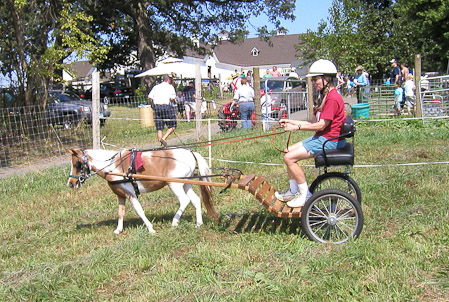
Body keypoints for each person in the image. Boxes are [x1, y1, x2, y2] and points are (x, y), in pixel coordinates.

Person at [274, 59, 346, 208]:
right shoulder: (324, 96)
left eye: (315, 79)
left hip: (329, 140)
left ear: (326, 78)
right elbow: (313, 122)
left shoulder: (332, 98)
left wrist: (296, 128)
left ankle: (305, 195)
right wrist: (290, 121)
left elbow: (321, 125)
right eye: (313, 79)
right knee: (288, 151)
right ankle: (293, 191)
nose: (313, 82)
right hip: (322, 137)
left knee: (289, 157)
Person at [148, 74, 177, 146]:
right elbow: (172, 98)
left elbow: (149, 97)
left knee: (159, 127)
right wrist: (175, 102)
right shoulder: (170, 87)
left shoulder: (156, 87)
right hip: (166, 107)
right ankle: (164, 138)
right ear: (168, 80)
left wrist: (153, 104)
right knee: (173, 125)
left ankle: (159, 144)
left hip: (157, 107)